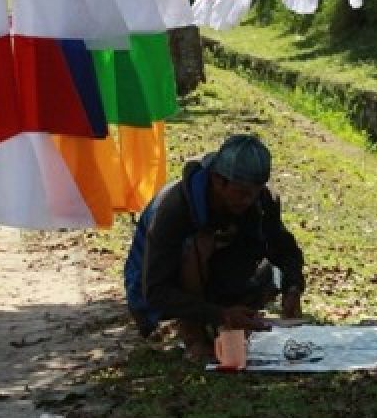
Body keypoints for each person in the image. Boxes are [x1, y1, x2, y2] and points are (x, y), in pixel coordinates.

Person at [124, 134, 305, 360]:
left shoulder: (257, 201)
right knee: (198, 247)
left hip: (213, 284)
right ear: (218, 181)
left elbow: (284, 248)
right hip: (153, 298)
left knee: (268, 272)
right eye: (241, 193)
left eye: (255, 192)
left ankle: (227, 321)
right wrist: (220, 314)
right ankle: (192, 335)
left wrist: (293, 287)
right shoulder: (174, 210)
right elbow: (155, 291)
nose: (248, 200)